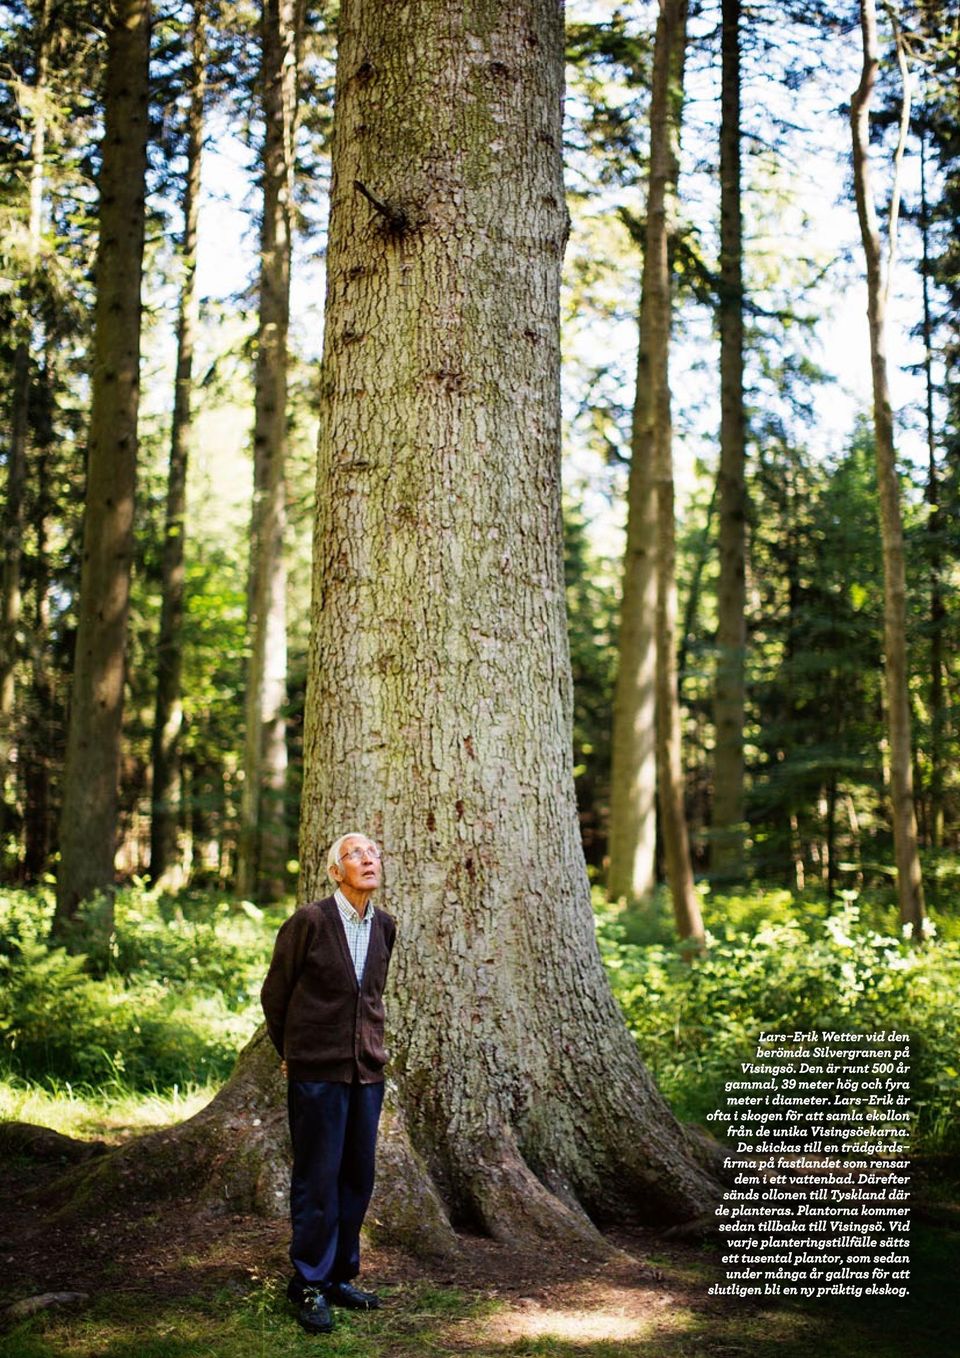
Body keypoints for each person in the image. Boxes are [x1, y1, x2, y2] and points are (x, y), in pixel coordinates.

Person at [260, 831, 397, 1335]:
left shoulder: (384, 926)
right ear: (336, 871)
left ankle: (340, 1274)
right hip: (317, 1073)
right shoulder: (310, 922)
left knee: (356, 1177)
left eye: (374, 854)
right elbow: (276, 995)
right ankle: (308, 1283)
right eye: (356, 854)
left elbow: (371, 997)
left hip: (367, 1072)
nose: (369, 860)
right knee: (317, 1178)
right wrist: (295, 1054)